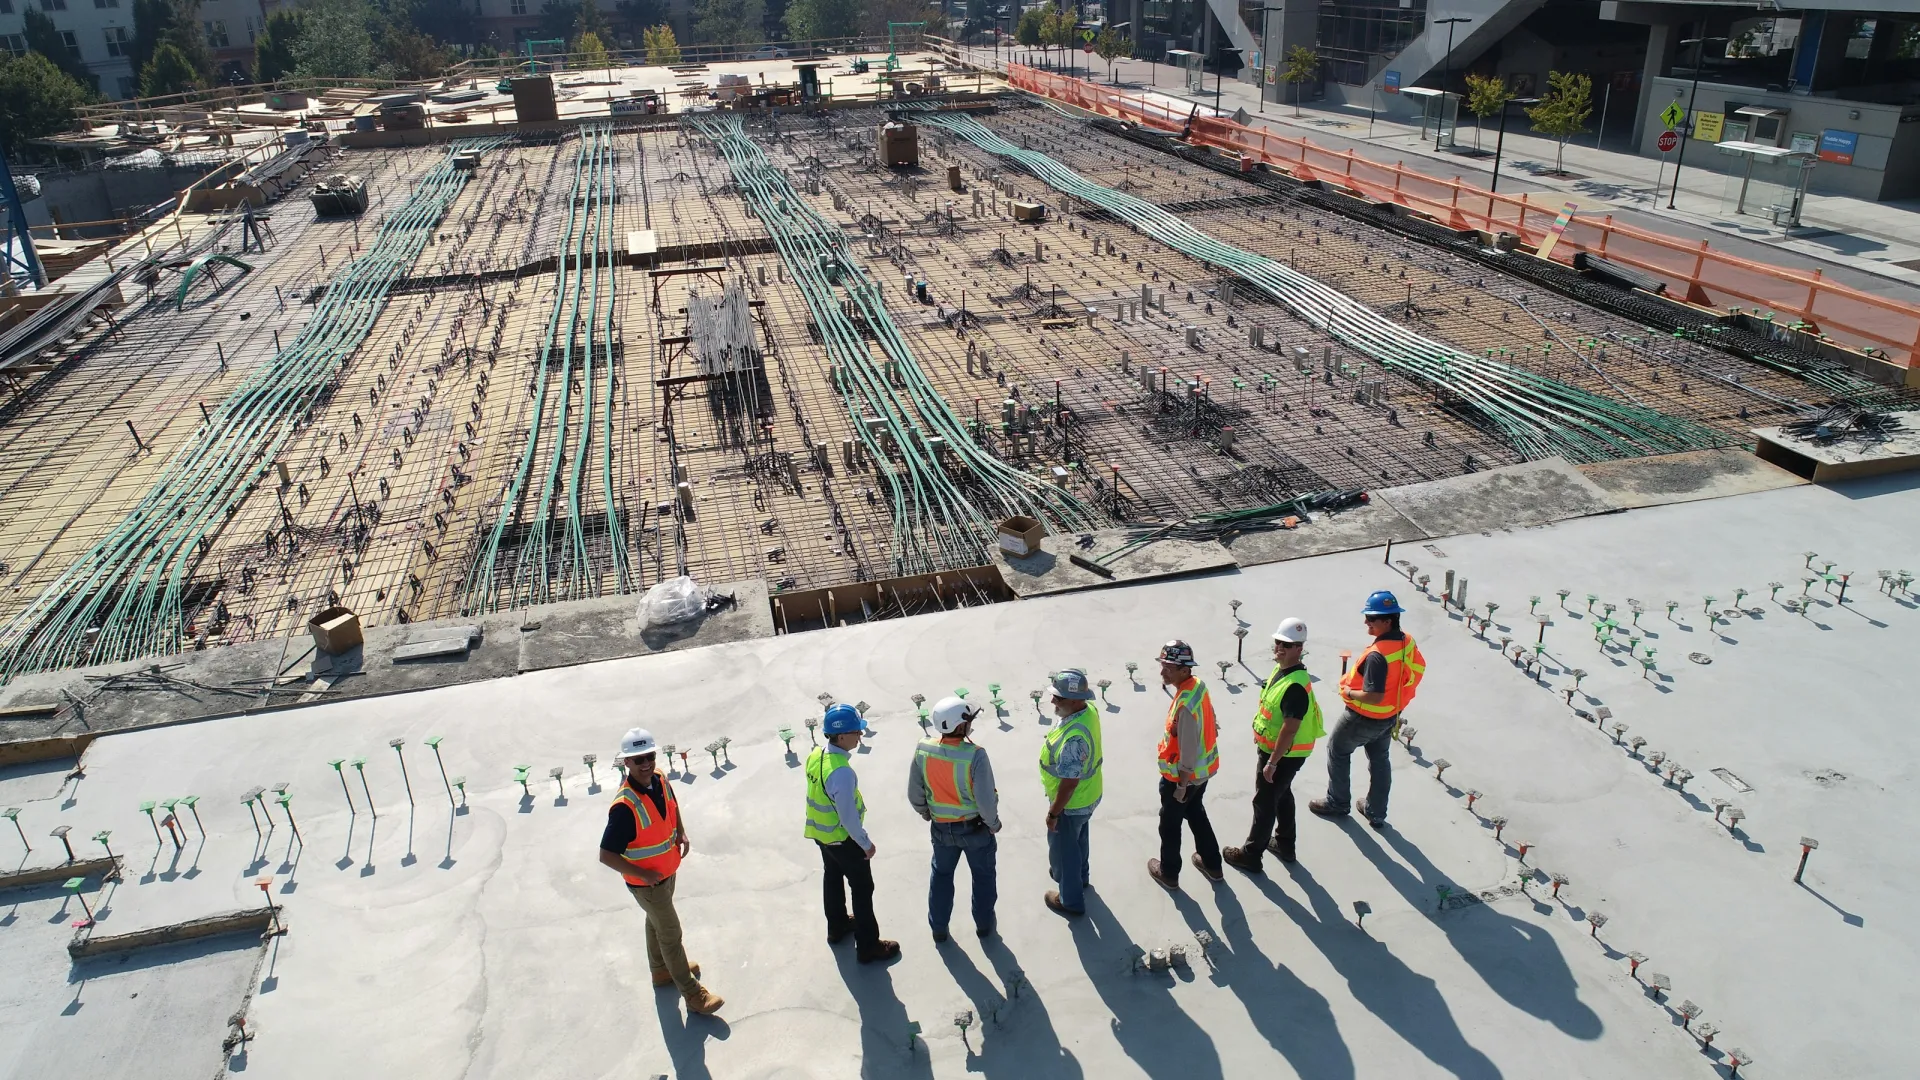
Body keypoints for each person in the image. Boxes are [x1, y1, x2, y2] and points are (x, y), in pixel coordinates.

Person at [596, 727, 724, 1015]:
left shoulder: (660, 779)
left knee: (655, 922)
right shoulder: (624, 807)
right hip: (648, 884)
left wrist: (681, 832)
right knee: (670, 933)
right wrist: (643, 875)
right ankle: (693, 995)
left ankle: (661, 971)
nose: (646, 764)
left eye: (649, 756)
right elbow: (606, 855)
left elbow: (672, 805)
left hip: (666, 872)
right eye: (638, 759)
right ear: (626, 763)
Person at [1311, 590, 1427, 829]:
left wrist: (1348, 692)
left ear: (1388, 621)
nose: (1366, 622)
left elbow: (1373, 696)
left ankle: (1337, 802)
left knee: (1338, 750)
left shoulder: (1377, 657)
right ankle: (1376, 812)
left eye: (1371, 618)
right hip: (1390, 715)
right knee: (1380, 760)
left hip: (1363, 717)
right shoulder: (1406, 640)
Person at [1224, 618, 1324, 872]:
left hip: (1283, 755)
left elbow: (1290, 728)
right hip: (1280, 752)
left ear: (1299, 649)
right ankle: (1285, 844)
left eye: (1287, 645)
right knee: (1281, 794)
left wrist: (1272, 762)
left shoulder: (1294, 686)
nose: (1280, 648)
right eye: (1278, 642)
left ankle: (1251, 854)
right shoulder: (1283, 671)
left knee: (1264, 802)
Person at [805, 703, 900, 964]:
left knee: (832, 878)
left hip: (821, 834)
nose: (861, 735)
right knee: (862, 889)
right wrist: (865, 843)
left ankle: (837, 927)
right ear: (842, 735)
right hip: (842, 839)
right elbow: (848, 816)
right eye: (857, 732)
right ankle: (869, 946)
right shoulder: (842, 772)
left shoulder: (817, 755)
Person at [908, 696, 1001, 942]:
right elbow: (985, 799)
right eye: (968, 721)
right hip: (975, 830)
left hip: (940, 829)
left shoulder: (924, 749)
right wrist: (993, 824)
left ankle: (939, 928)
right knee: (982, 877)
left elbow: (914, 792)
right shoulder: (975, 755)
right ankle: (983, 925)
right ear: (960, 726)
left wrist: (926, 812)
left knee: (941, 876)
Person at [1148, 639, 1222, 888]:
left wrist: (1182, 784)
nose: (1162, 672)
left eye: (1168, 668)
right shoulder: (1197, 687)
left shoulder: (1186, 704)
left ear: (1184, 670)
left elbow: (1188, 748)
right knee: (1196, 813)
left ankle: (1169, 873)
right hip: (1202, 774)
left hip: (1182, 778)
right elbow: (1209, 715)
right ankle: (1213, 864)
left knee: (1169, 825)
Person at [1039, 668, 1103, 917]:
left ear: (1077, 700)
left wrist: (1054, 813)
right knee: (1078, 839)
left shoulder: (1074, 739)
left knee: (1064, 851)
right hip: (1088, 796)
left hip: (1071, 803)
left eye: (1059, 698)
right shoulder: (1088, 712)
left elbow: (1068, 783)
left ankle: (1070, 900)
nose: (1053, 701)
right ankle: (1081, 878)